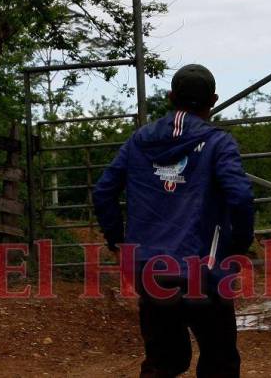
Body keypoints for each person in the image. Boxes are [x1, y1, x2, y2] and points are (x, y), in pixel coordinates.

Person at [93, 64, 254, 378]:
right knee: (219, 362)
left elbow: (103, 191)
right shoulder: (218, 143)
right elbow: (241, 197)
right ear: (214, 100)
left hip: (151, 269)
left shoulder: (139, 141)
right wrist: (238, 246)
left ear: (170, 97)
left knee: (163, 362)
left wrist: (117, 241)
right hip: (205, 271)